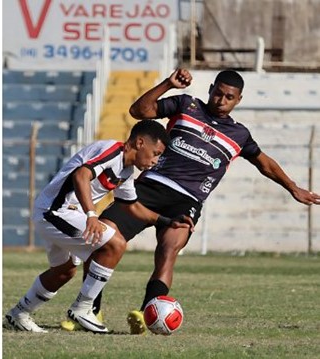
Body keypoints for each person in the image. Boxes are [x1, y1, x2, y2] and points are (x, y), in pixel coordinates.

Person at [95, 68, 320, 335]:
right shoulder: (186, 105)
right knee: (103, 237)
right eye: (218, 93)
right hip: (150, 187)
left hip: (187, 201)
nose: (221, 100)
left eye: (229, 97)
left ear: (238, 100)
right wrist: (168, 84)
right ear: (211, 88)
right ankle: (90, 309)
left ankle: (148, 314)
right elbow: (139, 111)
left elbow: (265, 164)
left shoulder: (240, 135)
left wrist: (292, 187)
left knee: (167, 253)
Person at [3, 121, 193, 333]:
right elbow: (81, 175)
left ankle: (19, 313)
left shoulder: (127, 171)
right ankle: (83, 308)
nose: (156, 161)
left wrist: (167, 221)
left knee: (64, 271)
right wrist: (92, 215)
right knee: (115, 244)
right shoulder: (112, 151)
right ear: (140, 143)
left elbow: (132, 206)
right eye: (155, 153)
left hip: (63, 213)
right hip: (55, 210)